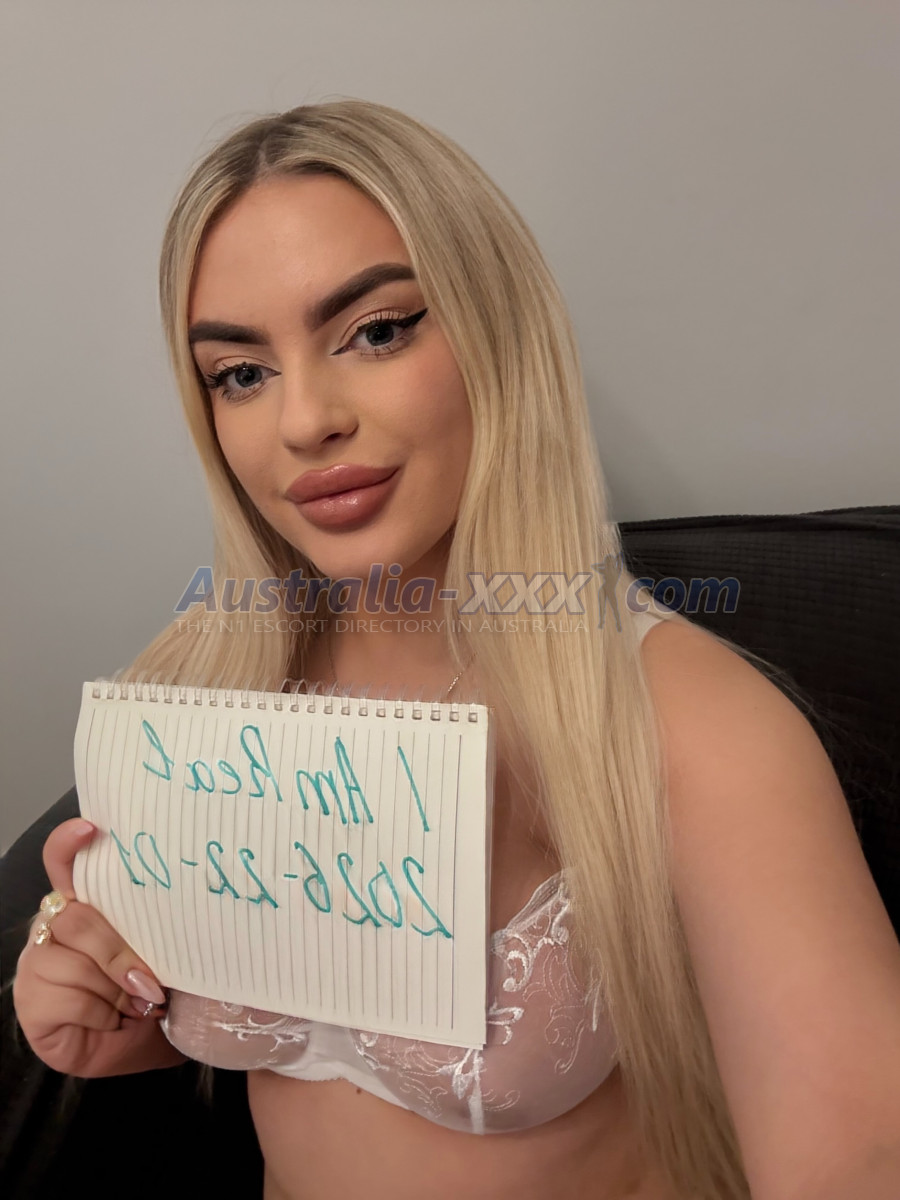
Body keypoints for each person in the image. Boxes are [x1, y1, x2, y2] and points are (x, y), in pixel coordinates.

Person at [12, 99, 900, 1200]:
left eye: (377, 331)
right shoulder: (204, 682)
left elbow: (860, 1158)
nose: (304, 421)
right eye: (241, 372)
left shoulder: (690, 724)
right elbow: (284, 1054)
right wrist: (112, 1004)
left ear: (496, 333)